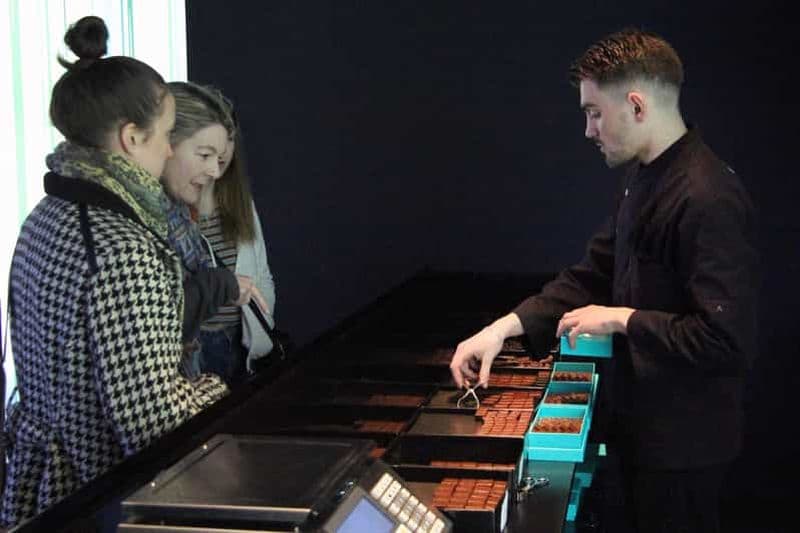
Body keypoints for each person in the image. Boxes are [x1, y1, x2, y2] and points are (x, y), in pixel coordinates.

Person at [450, 28, 758, 533]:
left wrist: (622, 318)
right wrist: (502, 329)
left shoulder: (708, 196)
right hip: (641, 432)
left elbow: (725, 339)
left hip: (685, 449)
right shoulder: (643, 178)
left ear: (636, 105)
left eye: (594, 112)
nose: (588, 131)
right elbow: (593, 273)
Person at [0, 16, 228, 529]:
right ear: (131, 137)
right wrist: (220, 390)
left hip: (41, 488)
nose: (170, 149)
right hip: (95, 496)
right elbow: (155, 425)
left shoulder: (48, 214)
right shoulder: (121, 244)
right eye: (167, 135)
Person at [163, 82, 273, 387]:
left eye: (227, 145)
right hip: (194, 348)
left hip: (238, 344)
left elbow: (260, 274)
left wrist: (261, 336)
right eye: (205, 152)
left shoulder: (237, 199)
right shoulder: (166, 209)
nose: (216, 165)